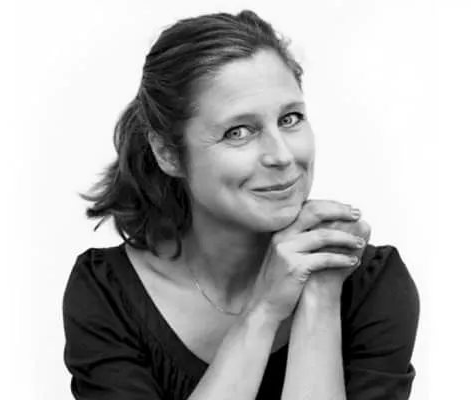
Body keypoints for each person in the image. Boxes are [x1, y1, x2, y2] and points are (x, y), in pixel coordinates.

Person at [62, 9, 419, 400]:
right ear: (168, 154)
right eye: (238, 132)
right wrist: (264, 311)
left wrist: (319, 296)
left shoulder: (371, 284)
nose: (281, 156)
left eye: (290, 118)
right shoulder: (106, 294)